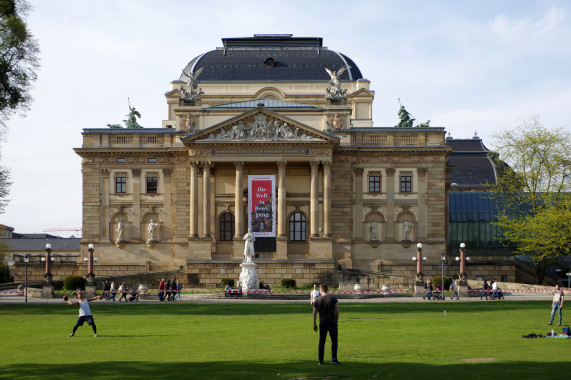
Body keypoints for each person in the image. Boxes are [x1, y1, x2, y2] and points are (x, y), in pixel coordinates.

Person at [313, 284, 341, 366]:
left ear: (321, 290)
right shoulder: (333, 299)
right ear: (327, 289)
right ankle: (334, 359)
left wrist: (314, 324)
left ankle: (320, 360)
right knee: (334, 341)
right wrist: (336, 321)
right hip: (332, 321)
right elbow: (337, 312)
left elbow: (314, 313)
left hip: (323, 322)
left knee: (322, 341)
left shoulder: (317, 300)